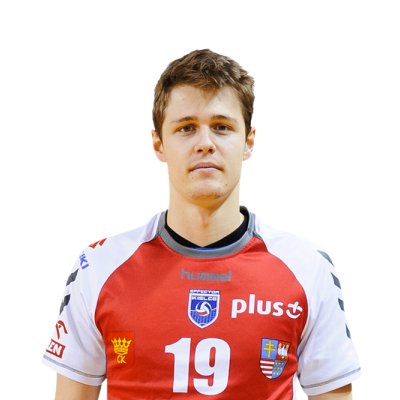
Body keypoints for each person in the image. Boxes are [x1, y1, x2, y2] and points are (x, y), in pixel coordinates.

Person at [42, 48, 361, 399]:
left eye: (222, 127)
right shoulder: (99, 265)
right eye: (186, 128)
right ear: (158, 145)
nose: (205, 144)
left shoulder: (308, 266)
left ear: (249, 142)